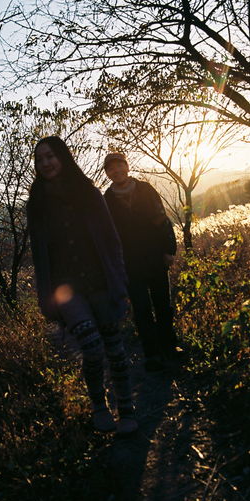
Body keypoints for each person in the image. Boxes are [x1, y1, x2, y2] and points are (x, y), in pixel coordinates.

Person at [27, 136, 138, 435]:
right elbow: (39, 256)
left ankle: (126, 408)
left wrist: (120, 282)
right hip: (66, 290)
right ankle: (100, 406)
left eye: (50, 156)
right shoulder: (36, 204)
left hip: (101, 281)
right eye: (40, 159)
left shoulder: (88, 193)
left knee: (115, 348)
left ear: (63, 157)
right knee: (92, 347)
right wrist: (45, 298)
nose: (46, 163)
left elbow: (111, 240)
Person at [103, 152, 179, 371]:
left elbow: (162, 219)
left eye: (120, 166)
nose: (116, 171)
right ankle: (152, 354)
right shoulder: (107, 200)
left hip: (155, 256)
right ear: (107, 174)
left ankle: (169, 346)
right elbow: (108, 236)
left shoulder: (145, 189)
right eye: (111, 168)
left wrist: (168, 250)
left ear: (127, 167)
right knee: (142, 309)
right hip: (129, 264)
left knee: (163, 304)